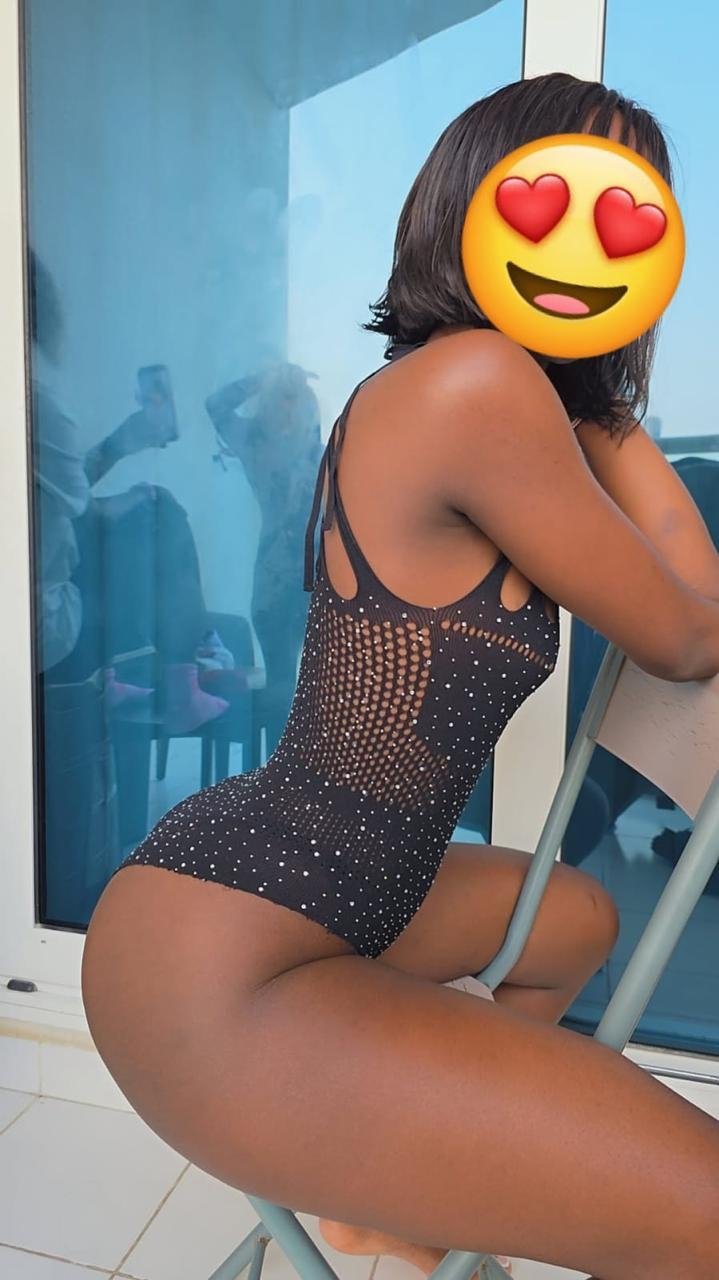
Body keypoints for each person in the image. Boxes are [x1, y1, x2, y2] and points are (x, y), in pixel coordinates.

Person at [81, 73, 719, 1280]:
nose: (588, 246)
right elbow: (688, 632)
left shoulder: (479, 389)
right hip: (224, 970)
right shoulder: (476, 385)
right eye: (551, 201)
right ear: (471, 204)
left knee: (577, 917)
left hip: (316, 886)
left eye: (627, 220)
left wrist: (591, 387)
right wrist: (601, 401)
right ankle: (399, 1159)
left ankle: (404, 1182)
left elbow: (694, 599)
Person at [205, 362, 323, 754]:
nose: (289, 409)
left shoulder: (320, 454)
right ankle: (282, 776)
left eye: (295, 399)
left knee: (317, 689)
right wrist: (265, 376)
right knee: (282, 686)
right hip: (280, 583)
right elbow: (215, 405)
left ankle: (299, 775)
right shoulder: (258, 446)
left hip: (315, 582)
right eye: (282, 399)